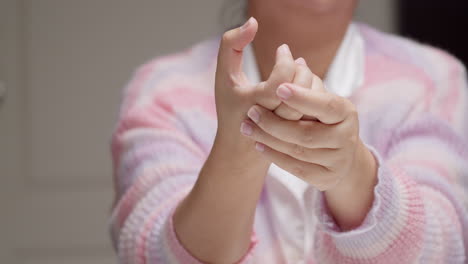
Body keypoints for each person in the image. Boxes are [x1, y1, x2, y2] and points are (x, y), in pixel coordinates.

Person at [109, 0, 468, 263]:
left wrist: (353, 171)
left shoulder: (433, 78)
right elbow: (152, 256)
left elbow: (444, 249)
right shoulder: (161, 90)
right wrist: (238, 147)